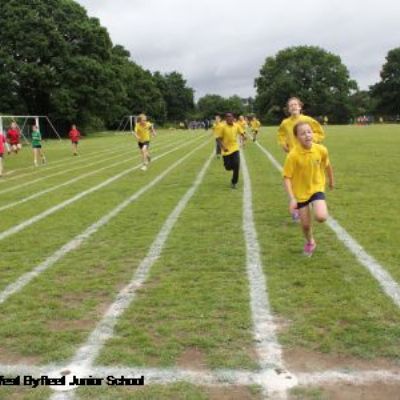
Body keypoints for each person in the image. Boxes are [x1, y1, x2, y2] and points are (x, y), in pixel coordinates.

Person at [283, 122, 334, 257]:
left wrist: (331, 180)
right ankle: (310, 241)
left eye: (309, 132)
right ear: (297, 137)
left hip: (317, 188)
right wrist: (292, 198)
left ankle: (316, 206)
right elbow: (287, 177)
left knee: (321, 217)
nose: (307, 135)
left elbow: (327, 165)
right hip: (300, 193)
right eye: (303, 133)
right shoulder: (293, 156)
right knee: (305, 226)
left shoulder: (321, 149)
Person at [278, 97, 326, 221]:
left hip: (309, 155)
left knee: (309, 183)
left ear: (300, 107)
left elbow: (320, 133)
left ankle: (311, 202)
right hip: (294, 158)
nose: (293, 107)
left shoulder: (308, 120)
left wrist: (311, 140)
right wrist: (283, 144)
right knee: (294, 185)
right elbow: (281, 134)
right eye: (291, 105)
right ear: (288, 109)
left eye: (295, 104)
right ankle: (297, 209)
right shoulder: (285, 123)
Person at [216, 113, 245, 189]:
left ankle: (234, 182)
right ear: (226, 119)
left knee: (237, 164)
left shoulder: (236, 125)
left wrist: (243, 136)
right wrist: (223, 147)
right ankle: (233, 167)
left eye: (231, 118)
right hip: (226, 150)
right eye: (228, 118)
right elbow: (218, 139)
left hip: (235, 148)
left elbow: (241, 132)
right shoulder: (222, 127)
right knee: (228, 167)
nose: (229, 119)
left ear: (233, 118)